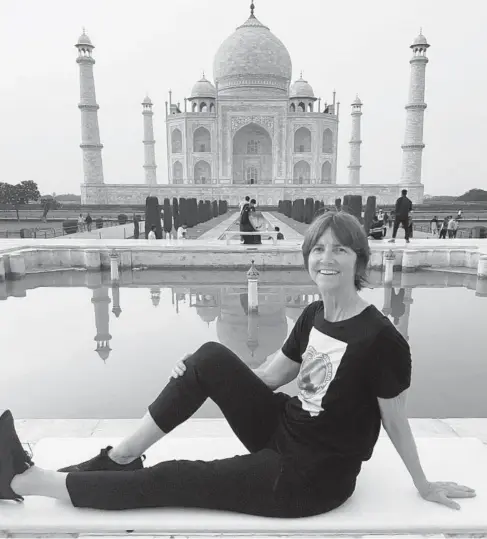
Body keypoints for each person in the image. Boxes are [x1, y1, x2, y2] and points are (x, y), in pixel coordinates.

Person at [0, 212, 476, 515]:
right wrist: (202, 376)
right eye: (319, 248)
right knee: (206, 356)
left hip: (312, 476)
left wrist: (423, 482)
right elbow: (271, 376)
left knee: (179, 478)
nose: (326, 258)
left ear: (359, 260)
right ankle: (120, 457)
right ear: (308, 255)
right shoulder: (313, 313)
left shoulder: (382, 338)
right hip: (283, 430)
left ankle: (27, 481)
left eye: (341, 249)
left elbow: (396, 420)